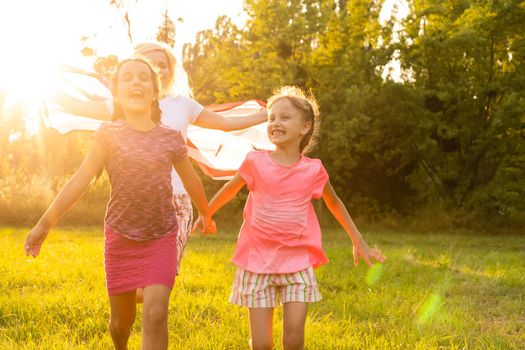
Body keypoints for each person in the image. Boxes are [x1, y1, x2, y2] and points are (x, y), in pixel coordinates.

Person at [25, 57, 210, 350]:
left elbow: (192, 182)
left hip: (161, 235)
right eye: (127, 78)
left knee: (156, 313)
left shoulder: (170, 138)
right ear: (116, 94)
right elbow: (80, 180)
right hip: (121, 238)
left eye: (143, 78)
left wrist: (205, 212)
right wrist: (43, 224)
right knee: (121, 322)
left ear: (154, 92)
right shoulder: (108, 135)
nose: (136, 82)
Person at [55, 41, 267, 280]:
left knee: (158, 281)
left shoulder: (183, 105)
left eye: (164, 64)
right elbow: (77, 106)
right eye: (153, 63)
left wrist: (266, 115)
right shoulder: (120, 104)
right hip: (133, 203)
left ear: (169, 70)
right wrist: (45, 82)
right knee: (135, 288)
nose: (160, 68)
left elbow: (226, 124)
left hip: (176, 202)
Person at [194, 86, 386, 350]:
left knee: (294, 339)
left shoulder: (313, 170)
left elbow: (334, 202)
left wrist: (357, 239)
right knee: (262, 344)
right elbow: (230, 189)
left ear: (304, 127)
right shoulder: (255, 162)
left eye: (284, 117)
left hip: (297, 262)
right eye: (272, 118)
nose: (275, 123)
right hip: (257, 261)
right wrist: (206, 213)